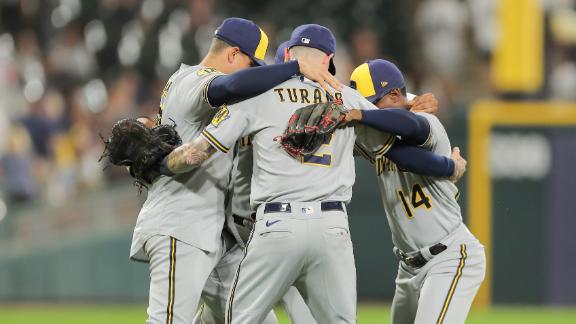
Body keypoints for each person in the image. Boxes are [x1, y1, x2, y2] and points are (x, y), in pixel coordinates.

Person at [162, 24, 466, 324]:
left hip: (272, 226)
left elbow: (197, 150)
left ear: (289, 55)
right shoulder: (346, 99)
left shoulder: (257, 92)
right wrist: (446, 162)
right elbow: (397, 147)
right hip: (331, 227)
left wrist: (163, 164)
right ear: (330, 58)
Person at [131, 17, 341, 324]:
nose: (255, 75)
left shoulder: (182, 81)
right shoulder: (196, 78)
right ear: (232, 54)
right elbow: (229, 85)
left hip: (216, 233)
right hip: (181, 224)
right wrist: (295, 67)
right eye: (252, 65)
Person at [347, 59, 486, 324]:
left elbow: (410, 126)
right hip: (407, 267)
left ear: (395, 95)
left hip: (449, 256)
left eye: (373, 103)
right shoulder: (376, 135)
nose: (370, 112)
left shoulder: (426, 121)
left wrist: (361, 114)